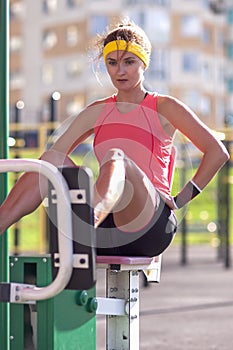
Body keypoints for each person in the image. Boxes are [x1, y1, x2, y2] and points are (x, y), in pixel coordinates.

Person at [0, 20, 229, 257]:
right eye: (112, 63)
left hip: (150, 224)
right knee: (49, 159)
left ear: (144, 63)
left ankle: (90, 222)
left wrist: (181, 199)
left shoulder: (164, 107)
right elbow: (52, 161)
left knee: (116, 157)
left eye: (129, 62)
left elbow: (217, 152)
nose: (120, 71)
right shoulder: (97, 111)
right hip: (107, 229)